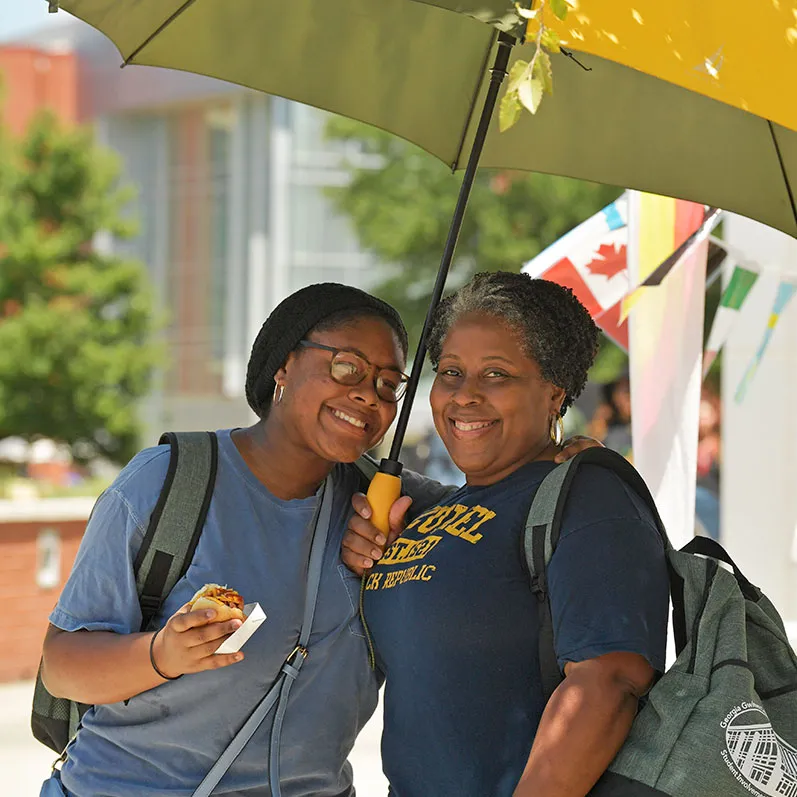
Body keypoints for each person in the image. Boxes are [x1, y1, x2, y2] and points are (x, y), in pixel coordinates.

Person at [40, 283, 454, 797]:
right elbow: (62, 666)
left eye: (389, 384)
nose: (369, 394)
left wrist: (567, 457)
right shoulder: (166, 483)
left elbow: (507, 506)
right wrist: (161, 654)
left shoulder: (399, 508)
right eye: (347, 367)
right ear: (284, 365)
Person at [343, 272, 669, 797]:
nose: (465, 396)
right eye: (450, 372)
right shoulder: (434, 508)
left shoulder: (588, 498)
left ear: (554, 394)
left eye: (496, 374)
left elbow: (609, 683)